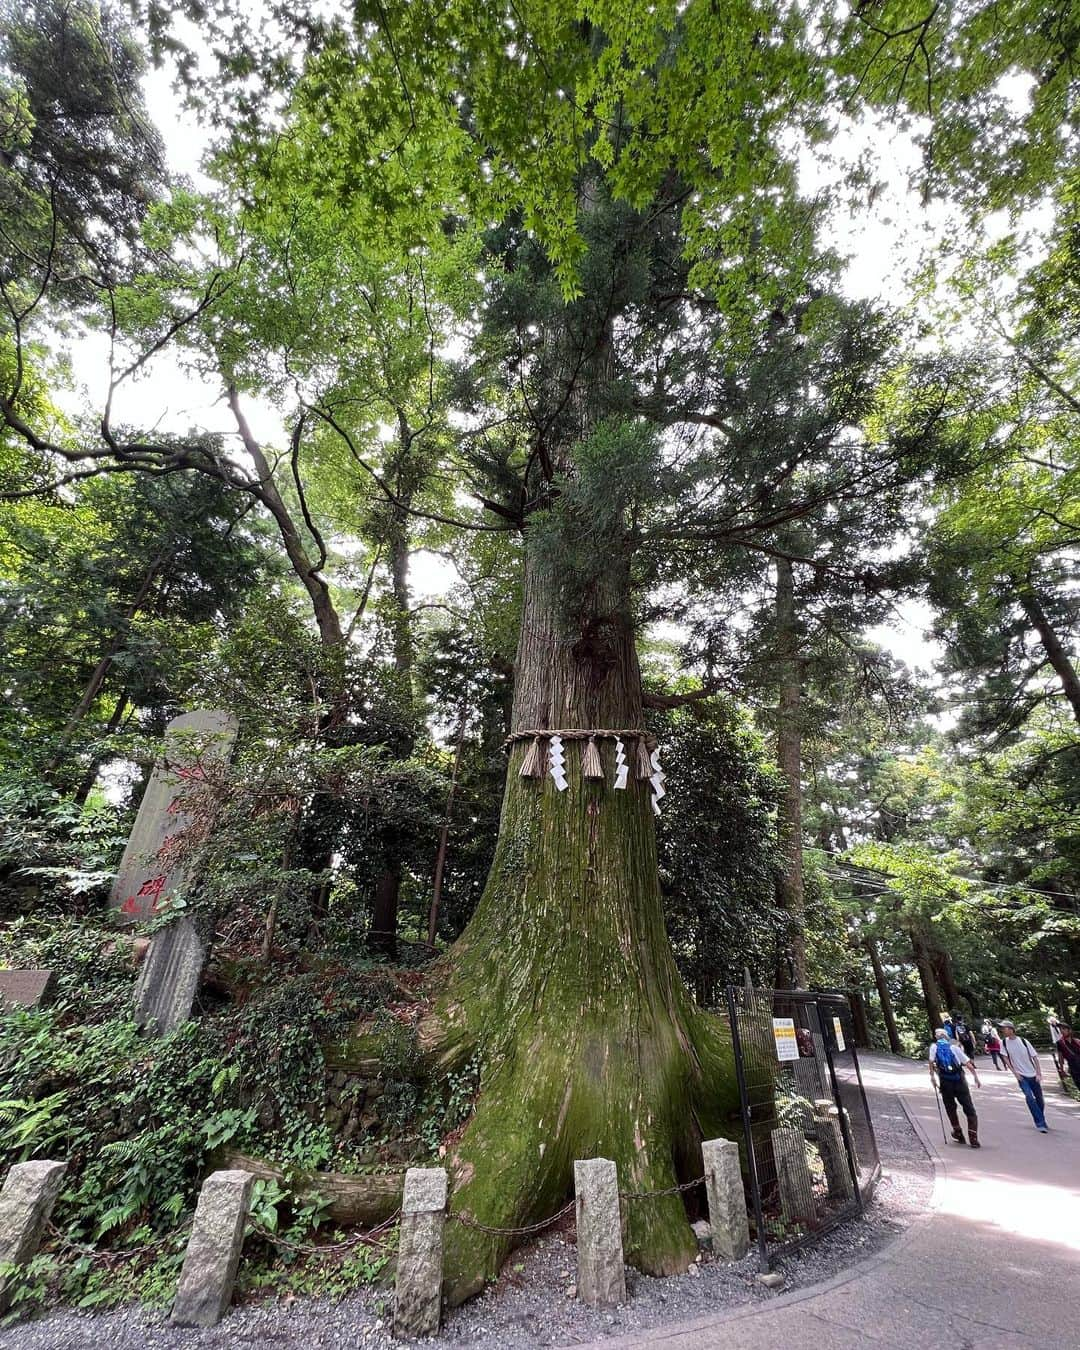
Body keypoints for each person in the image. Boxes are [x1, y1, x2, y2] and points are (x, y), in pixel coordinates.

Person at [929, 1027, 981, 1147]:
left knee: (950, 1107)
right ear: (947, 1037)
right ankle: (973, 1138)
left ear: (936, 1037)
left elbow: (931, 1062)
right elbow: (968, 1064)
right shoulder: (954, 1047)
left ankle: (958, 1132)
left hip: (945, 1081)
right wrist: (976, 1077)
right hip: (959, 1080)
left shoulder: (934, 1047)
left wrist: (932, 1077)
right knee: (969, 1108)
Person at [1000, 1019, 1049, 1132]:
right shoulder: (1003, 1043)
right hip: (1021, 1075)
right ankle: (1040, 1123)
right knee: (1029, 1097)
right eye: (1002, 1028)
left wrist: (1038, 1073)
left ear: (1011, 1029)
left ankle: (1040, 1117)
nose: (1003, 1030)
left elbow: (1035, 1057)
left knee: (1040, 1099)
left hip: (1032, 1074)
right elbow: (1005, 1058)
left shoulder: (1023, 1041)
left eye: (1004, 1028)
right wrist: (1014, 1072)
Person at [1056, 1025, 1080, 1092]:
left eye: (1064, 1029)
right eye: (1060, 1029)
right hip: (1074, 1068)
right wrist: (1061, 1069)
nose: (1062, 1031)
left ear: (1069, 1030)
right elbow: (1060, 1057)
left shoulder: (1077, 1041)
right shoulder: (1060, 1043)